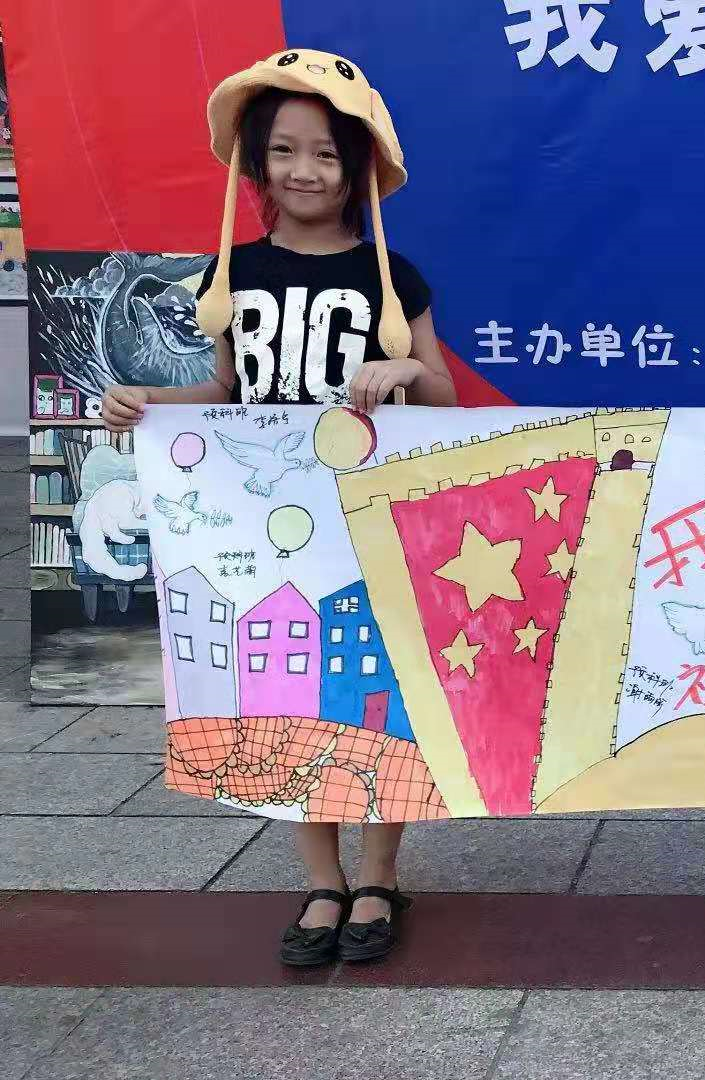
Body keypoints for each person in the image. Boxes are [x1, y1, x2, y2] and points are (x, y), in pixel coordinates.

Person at [102, 50, 456, 965]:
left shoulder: (391, 275)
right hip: (268, 530)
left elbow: (445, 396)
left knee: (375, 696)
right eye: (286, 151)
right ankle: (322, 882)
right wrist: (148, 401)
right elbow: (224, 389)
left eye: (327, 154)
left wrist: (403, 368)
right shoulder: (235, 274)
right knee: (283, 692)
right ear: (256, 163)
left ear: (358, 170)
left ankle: (378, 875)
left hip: (365, 519)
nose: (305, 171)